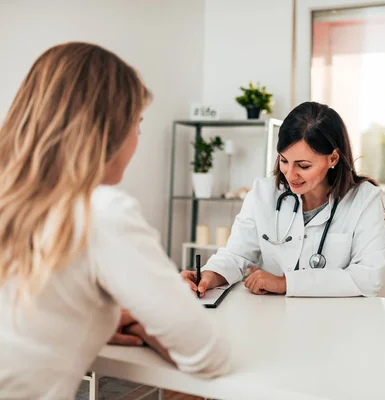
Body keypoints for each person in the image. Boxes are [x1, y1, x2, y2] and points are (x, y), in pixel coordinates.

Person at [0, 42, 230, 399]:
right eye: (137, 123)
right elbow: (209, 356)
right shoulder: (100, 211)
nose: (137, 137)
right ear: (109, 130)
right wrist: (142, 323)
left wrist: (99, 320)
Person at [182, 101, 385, 298]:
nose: (290, 175)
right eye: (284, 160)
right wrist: (210, 275)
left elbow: (368, 278)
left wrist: (286, 283)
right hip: (272, 316)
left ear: (333, 158)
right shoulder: (263, 193)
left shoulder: (365, 199)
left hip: (335, 321)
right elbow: (237, 255)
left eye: (303, 165)